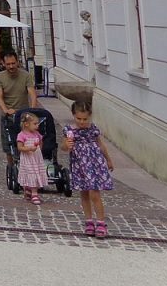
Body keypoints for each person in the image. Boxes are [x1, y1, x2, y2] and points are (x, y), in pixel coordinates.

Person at [62, 100, 114, 238]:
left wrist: (108, 159)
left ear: (89, 116)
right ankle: (89, 221)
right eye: (79, 118)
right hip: (79, 164)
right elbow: (63, 147)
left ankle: (101, 223)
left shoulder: (93, 129)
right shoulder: (69, 130)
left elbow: (101, 145)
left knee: (94, 192)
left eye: (85, 119)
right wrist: (67, 145)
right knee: (84, 193)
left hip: (94, 163)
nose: (82, 122)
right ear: (73, 115)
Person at [0, 51, 38, 164]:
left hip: (24, 115)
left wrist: (32, 110)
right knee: (9, 147)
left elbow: (32, 94)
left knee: (27, 142)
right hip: (8, 115)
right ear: (3, 63)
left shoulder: (26, 75)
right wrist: (5, 110)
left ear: (17, 62)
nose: (11, 66)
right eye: (8, 64)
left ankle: (28, 165)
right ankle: (11, 167)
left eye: (13, 63)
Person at [16, 112, 47, 205]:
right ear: (26, 124)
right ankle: (34, 193)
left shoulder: (37, 134)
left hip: (36, 158)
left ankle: (30, 190)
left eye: (37, 123)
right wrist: (29, 148)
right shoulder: (22, 135)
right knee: (31, 173)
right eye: (35, 124)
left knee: (36, 173)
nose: (37, 126)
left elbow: (40, 142)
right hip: (28, 159)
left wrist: (39, 149)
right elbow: (20, 147)